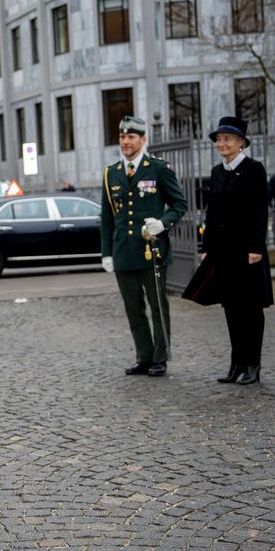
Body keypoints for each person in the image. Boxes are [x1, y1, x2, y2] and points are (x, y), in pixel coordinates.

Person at [184, 116, 273, 385]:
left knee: (251, 308)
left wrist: (256, 246)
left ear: (241, 142)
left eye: (227, 139)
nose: (221, 143)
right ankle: (236, 363)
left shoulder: (254, 169)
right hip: (223, 252)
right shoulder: (217, 172)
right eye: (219, 139)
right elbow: (212, 213)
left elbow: (260, 210)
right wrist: (206, 246)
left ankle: (253, 364)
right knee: (231, 307)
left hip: (248, 251)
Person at [99, 116, 187, 377]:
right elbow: (106, 218)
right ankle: (144, 356)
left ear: (143, 140)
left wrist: (162, 223)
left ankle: (160, 357)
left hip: (152, 250)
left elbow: (179, 205)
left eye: (131, 137)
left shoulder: (157, 168)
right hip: (123, 251)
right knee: (132, 307)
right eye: (122, 137)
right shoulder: (111, 173)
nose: (126, 142)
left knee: (158, 306)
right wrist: (106, 253)